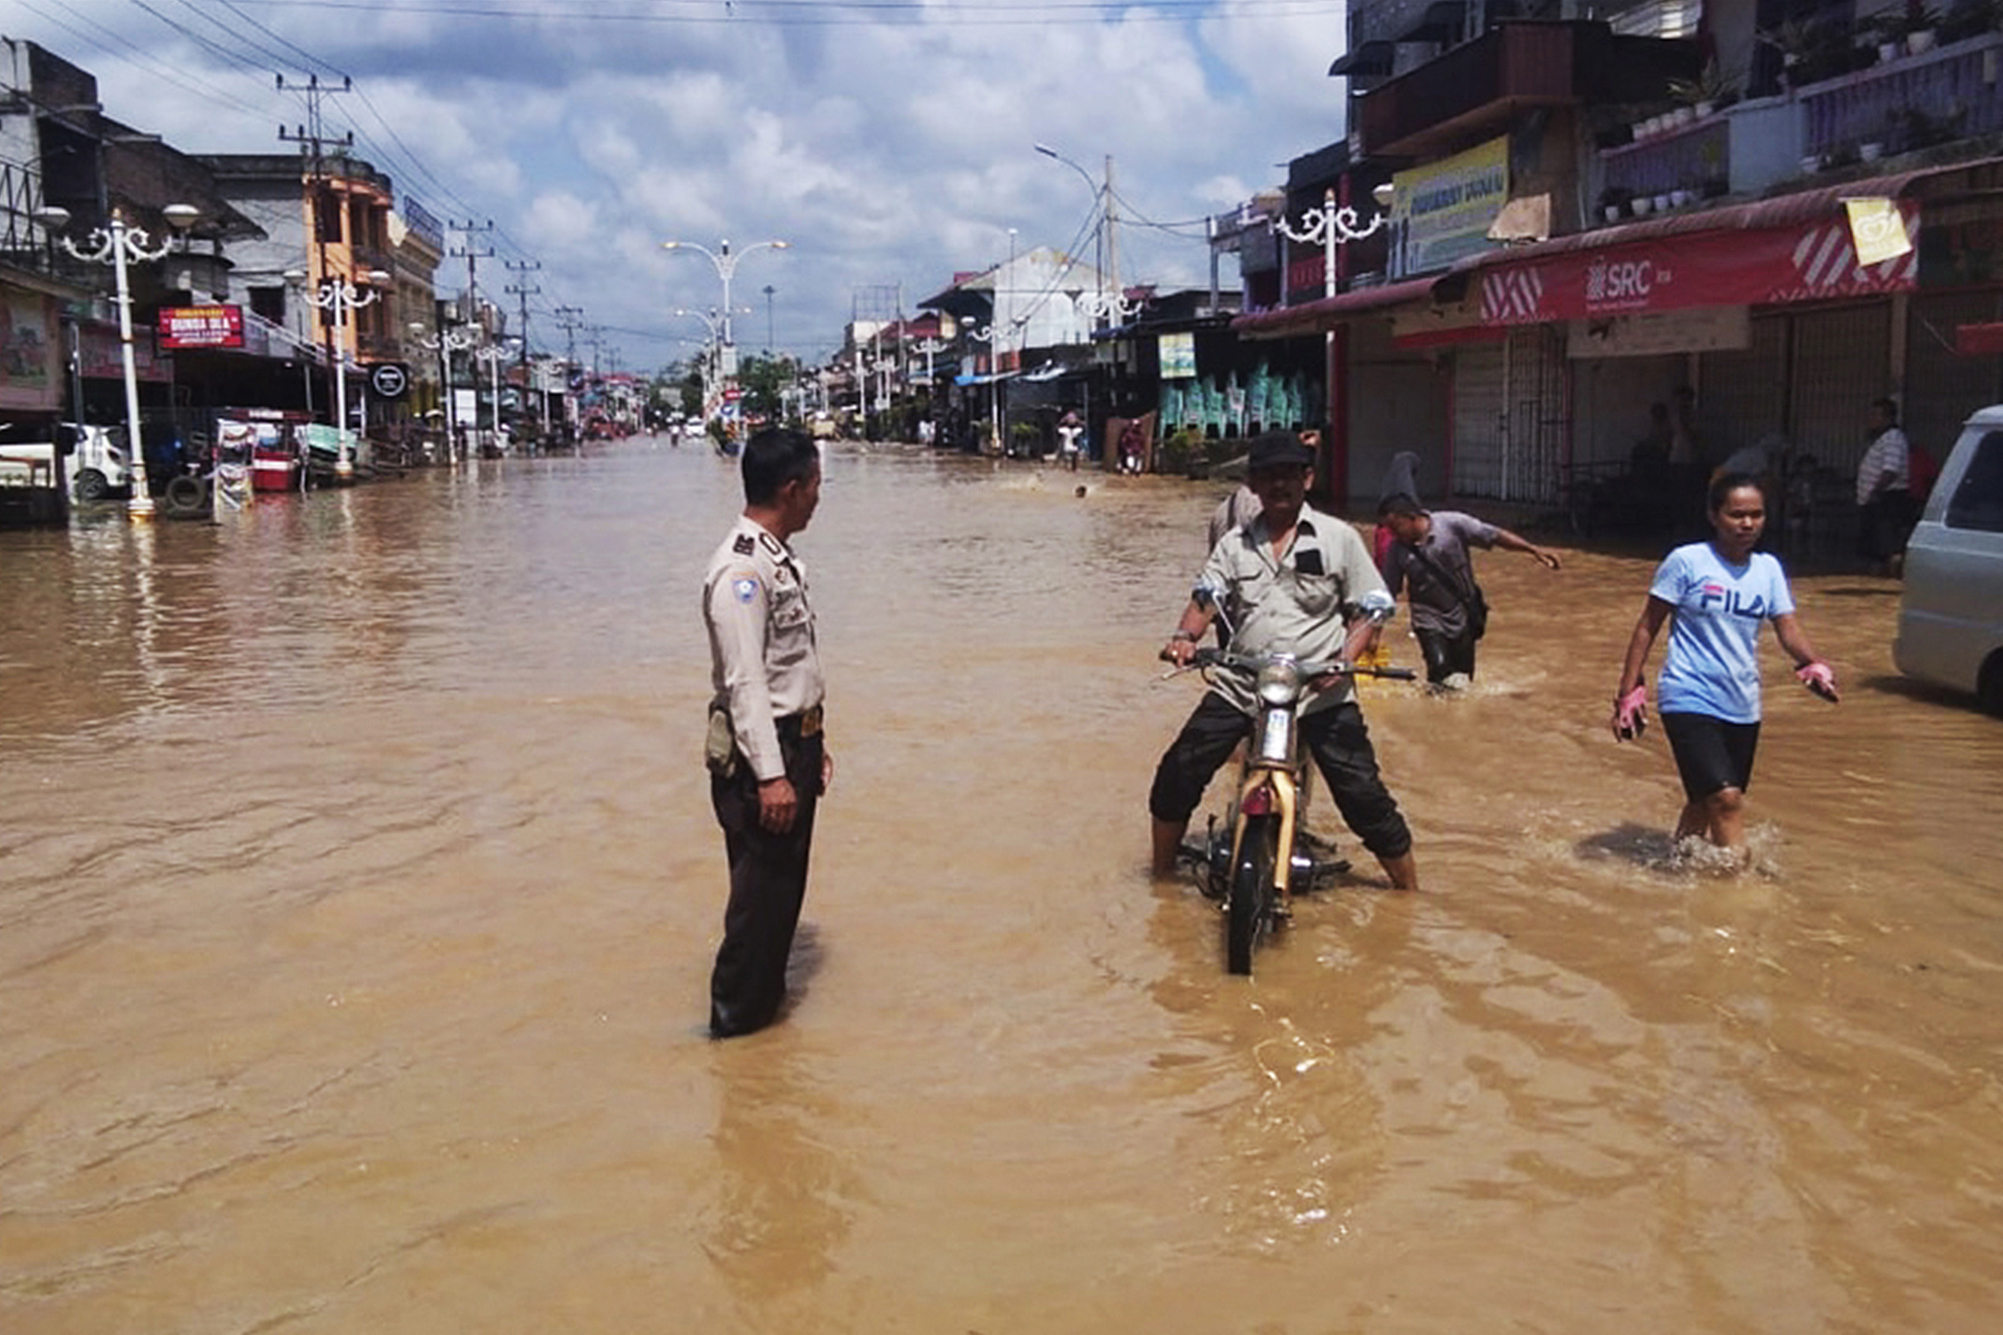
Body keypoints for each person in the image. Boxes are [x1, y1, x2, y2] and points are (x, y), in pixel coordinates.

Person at [1150, 430, 1420, 890]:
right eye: (1269, 475)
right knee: (1177, 773)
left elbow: (1371, 607)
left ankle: (1409, 894)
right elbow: (1206, 597)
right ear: (1253, 484)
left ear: (1307, 479)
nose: (1280, 484)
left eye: (1290, 474)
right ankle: (1160, 879)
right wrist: (1184, 638)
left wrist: (1343, 659)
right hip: (1243, 686)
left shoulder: (1339, 538)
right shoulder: (1234, 544)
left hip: (1319, 691)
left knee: (1364, 796)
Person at [1611, 472, 1839, 860]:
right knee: (1727, 799)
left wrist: (1813, 663)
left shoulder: (1768, 569)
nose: (1747, 524)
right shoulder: (1687, 562)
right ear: (1713, 516)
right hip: (1688, 695)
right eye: (1736, 515)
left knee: (1706, 801)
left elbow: (1787, 628)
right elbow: (1648, 625)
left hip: (1742, 702)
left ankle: (1678, 866)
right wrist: (1627, 692)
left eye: (1756, 515)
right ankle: (1738, 883)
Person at [701, 426, 833, 1039]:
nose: (818, 498)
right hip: (765, 758)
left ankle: (765, 1038)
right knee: (758, 907)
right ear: (791, 488)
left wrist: (814, 742)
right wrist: (773, 775)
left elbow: (791, 669)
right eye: (816, 485)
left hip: (791, 745)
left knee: (781, 897)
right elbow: (746, 682)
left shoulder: (776, 560)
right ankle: (734, 1035)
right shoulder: (742, 571)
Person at [1377, 493, 1562, 689]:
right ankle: (1436, 701)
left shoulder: (1451, 524)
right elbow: (1388, 592)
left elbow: (1494, 535)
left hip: (1463, 611)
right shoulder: (1397, 550)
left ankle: (1452, 705)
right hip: (1427, 616)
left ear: (1412, 517)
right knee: (1439, 669)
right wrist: (1375, 634)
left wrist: (1533, 549)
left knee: (1462, 678)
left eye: (1396, 528)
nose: (1394, 535)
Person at [1856, 397, 1915, 576]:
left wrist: (1876, 491)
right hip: (1879, 498)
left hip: (1888, 499)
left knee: (1887, 542)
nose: (1871, 418)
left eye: (1876, 415)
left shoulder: (1893, 438)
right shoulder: (1882, 439)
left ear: (1887, 418)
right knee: (1876, 542)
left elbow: (1891, 470)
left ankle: (1889, 575)